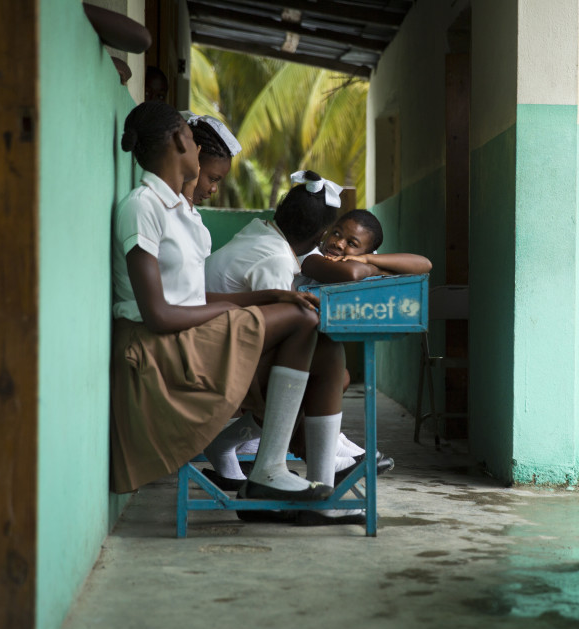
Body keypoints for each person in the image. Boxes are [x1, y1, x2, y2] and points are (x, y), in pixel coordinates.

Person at [111, 101, 352, 527]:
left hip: (188, 335)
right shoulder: (142, 206)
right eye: (190, 137)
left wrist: (271, 296)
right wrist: (233, 313)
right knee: (302, 321)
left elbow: (195, 298)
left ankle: (319, 491)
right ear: (179, 143)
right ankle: (268, 470)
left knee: (326, 347)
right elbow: (160, 317)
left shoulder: (186, 216)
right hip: (159, 347)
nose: (196, 149)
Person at [203, 172, 394, 501]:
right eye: (335, 234)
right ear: (322, 234)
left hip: (213, 342)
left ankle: (325, 459)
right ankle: (320, 463)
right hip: (210, 357)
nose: (339, 245)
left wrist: (364, 262)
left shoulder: (262, 235)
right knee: (313, 369)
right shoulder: (276, 261)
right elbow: (265, 337)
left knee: (329, 365)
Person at [296, 209, 432, 288]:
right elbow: (352, 274)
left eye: (352, 243)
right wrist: (379, 270)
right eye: (336, 233)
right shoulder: (310, 254)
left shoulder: (365, 258)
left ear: (367, 252)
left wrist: (367, 259)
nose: (339, 244)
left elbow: (425, 264)